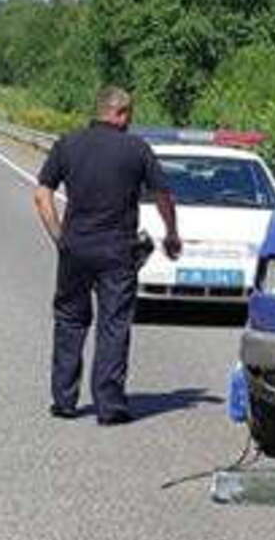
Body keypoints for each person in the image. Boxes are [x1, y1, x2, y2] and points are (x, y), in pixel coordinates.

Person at [31, 85, 182, 425]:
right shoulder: (137, 149)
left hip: (76, 247)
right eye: (130, 115)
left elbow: (42, 196)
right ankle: (109, 405)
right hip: (117, 249)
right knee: (113, 324)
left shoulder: (68, 144)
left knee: (70, 320)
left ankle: (64, 400)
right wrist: (171, 233)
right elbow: (163, 196)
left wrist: (61, 237)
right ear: (121, 113)